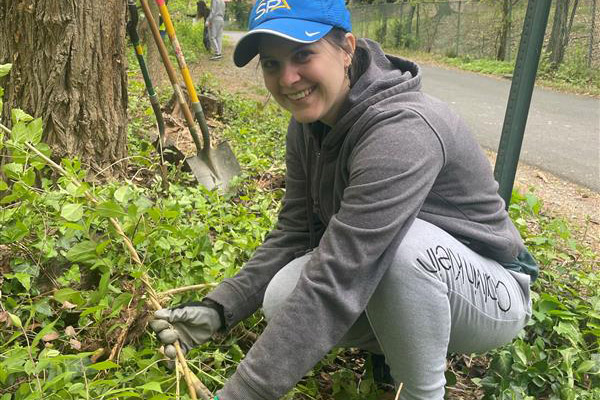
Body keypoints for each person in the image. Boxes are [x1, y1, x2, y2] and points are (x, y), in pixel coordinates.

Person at [150, 0, 538, 399]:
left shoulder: (403, 129)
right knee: (283, 294)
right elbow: (294, 234)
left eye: (303, 54)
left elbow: (340, 273)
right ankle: (396, 345)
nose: (288, 78)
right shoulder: (308, 124)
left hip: (492, 290)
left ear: (347, 48)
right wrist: (218, 308)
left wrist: (243, 393)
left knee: (400, 251)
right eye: (271, 64)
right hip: (402, 274)